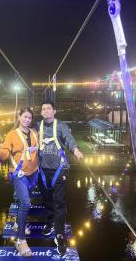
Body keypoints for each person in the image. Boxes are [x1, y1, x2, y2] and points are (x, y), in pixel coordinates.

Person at [35, 100, 83, 255]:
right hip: (43, 171)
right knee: (47, 199)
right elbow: (26, 137)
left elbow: (69, 138)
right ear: (41, 112)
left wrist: (75, 151)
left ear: (54, 111)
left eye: (49, 108)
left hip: (59, 170)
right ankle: (49, 223)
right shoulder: (37, 126)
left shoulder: (60, 126)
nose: (46, 111)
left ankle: (60, 234)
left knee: (59, 203)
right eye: (44, 109)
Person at [0, 107, 38, 257]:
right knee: (25, 203)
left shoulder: (35, 133)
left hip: (33, 173)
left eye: (29, 118)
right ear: (19, 117)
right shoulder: (12, 134)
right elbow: (5, 152)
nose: (27, 120)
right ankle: (21, 240)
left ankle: (18, 223)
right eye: (25, 117)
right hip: (19, 173)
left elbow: (39, 150)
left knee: (25, 202)